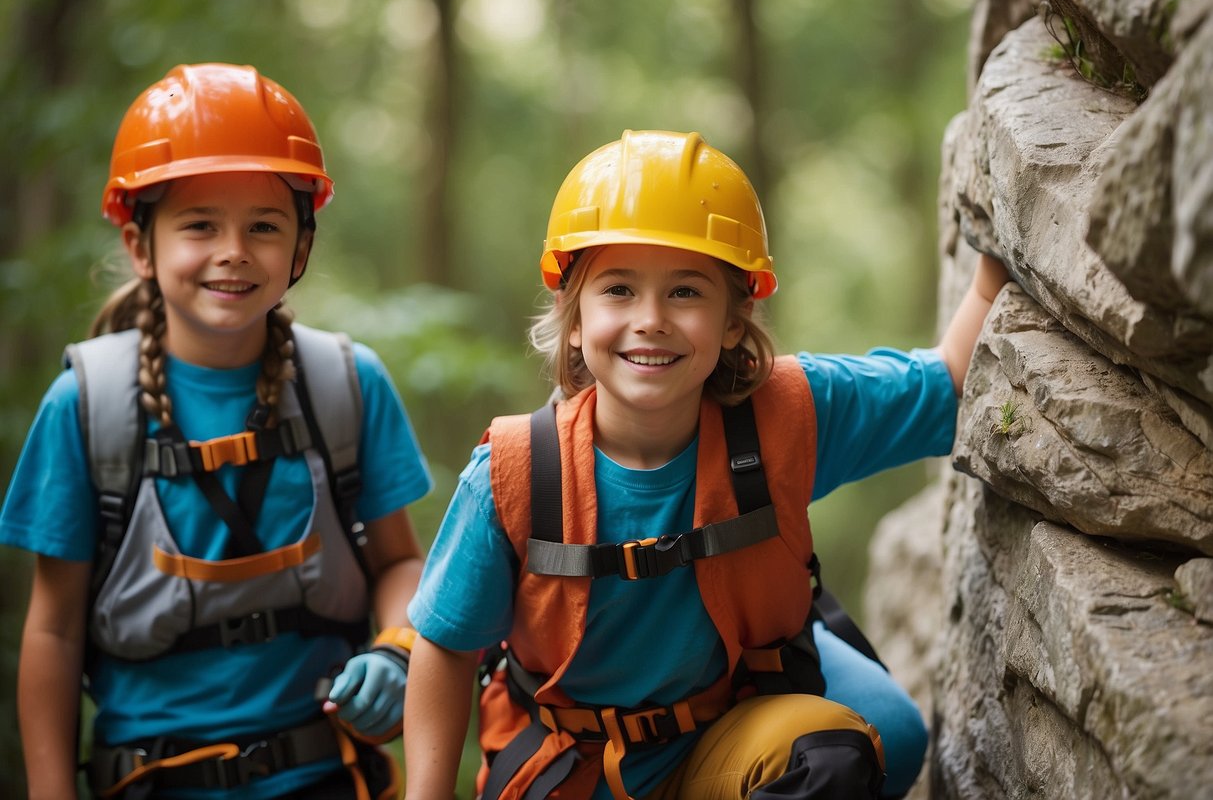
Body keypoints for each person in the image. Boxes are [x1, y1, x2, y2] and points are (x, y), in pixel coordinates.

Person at [402, 130, 1009, 800]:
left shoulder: (789, 414)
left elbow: (949, 384)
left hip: (720, 742)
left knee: (853, 748)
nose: (651, 320)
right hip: (569, 772)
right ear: (572, 317)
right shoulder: (513, 474)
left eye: (686, 292)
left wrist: (996, 244)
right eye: (618, 290)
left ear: (733, 317)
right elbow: (445, 648)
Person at [0, 63, 433, 800]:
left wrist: (397, 652)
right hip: (147, 784)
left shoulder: (347, 385)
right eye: (200, 224)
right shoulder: (85, 406)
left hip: (324, 778)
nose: (233, 250)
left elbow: (399, 561)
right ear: (142, 246)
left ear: (300, 248)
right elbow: (52, 631)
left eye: (263, 226)